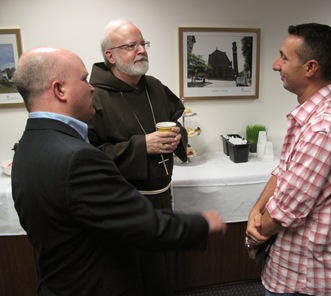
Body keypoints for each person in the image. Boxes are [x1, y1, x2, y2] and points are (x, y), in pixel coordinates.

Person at [11, 47, 227, 296]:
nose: (91, 87)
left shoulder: (28, 144)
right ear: (60, 90)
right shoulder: (79, 157)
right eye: (83, 79)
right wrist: (202, 224)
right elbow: (146, 226)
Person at [246, 23, 331, 296]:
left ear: (310, 68)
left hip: (305, 278)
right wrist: (255, 209)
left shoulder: (324, 126)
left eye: (284, 58)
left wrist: (253, 237)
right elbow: (283, 170)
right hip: (294, 266)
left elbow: (285, 209)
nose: (276, 65)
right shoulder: (312, 114)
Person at [87, 19, 187, 295]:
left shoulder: (154, 85)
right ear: (111, 56)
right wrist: (142, 146)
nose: (142, 50)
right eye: (131, 46)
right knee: (130, 276)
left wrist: (178, 135)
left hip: (161, 198)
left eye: (143, 44)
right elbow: (88, 155)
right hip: (123, 204)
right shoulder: (93, 96)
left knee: (162, 270)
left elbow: (177, 118)